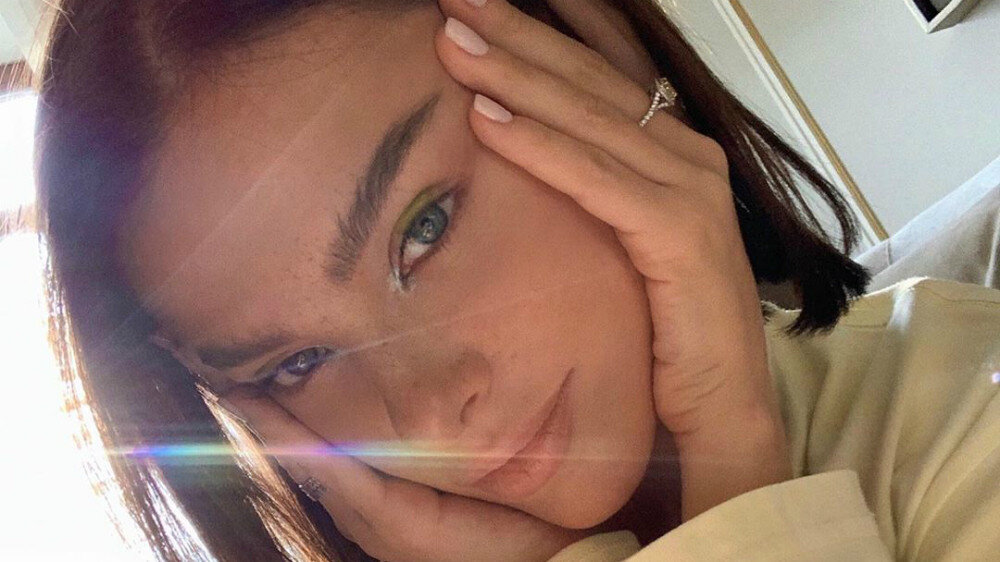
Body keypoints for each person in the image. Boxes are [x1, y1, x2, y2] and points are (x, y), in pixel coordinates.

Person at [33, 0, 1000, 560]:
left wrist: (735, 449)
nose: (425, 413)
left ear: (595, 63)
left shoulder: (962, 398)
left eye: (424, 229)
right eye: (298, 361)